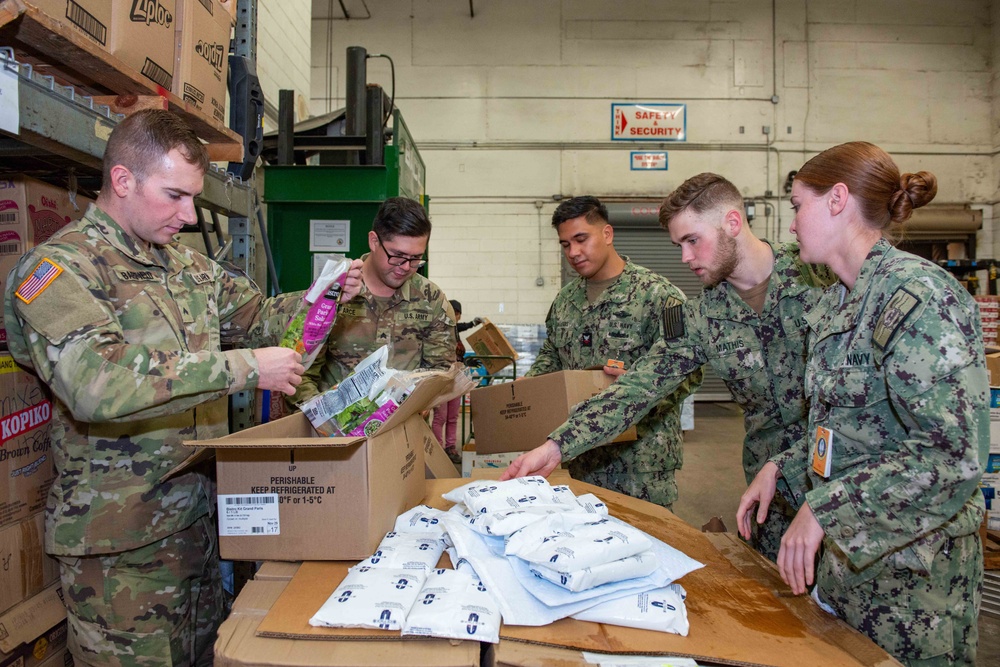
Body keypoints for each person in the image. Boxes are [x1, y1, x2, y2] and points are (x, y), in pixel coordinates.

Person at [1, 109, 363, 666]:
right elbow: (95, 383)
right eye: (175, 196)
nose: (190, 215)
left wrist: (325, 296)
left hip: (195, 525)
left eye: (193, 198)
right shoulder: (57, 270)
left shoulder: (187, 268)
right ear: (123, 180)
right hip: (120, 545)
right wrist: (242, 369)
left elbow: (264, 323)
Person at [737, 142, 987, 665]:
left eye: (797, 205)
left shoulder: (919, 297)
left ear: (837, 200)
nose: (790, 226)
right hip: (848, 577)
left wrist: (828, 510)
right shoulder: (836, 303)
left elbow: (951, 457)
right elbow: (846, 430)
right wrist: (780, 468)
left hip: (915, 591)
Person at [502, 175, 834, 558]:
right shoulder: (704, 315)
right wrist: (558, 446)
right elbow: (640, 386)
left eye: (692, 241)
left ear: (732, 222)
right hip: (768, 481)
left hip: (848, 472)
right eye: (679, 245)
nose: (685, 259)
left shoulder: (821, 274)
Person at [502, 195, 700, 509]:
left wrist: (639, 383)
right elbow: (554, 349)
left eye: (581, 239)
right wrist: (530, 384)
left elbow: (689, 373)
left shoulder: (659, 295)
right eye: (565, 244)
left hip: (640, 461)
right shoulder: (566, 300)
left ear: (607, 234)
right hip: (580, 455)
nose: (574, 252)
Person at [291, 197, 456, 404]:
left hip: (402, 428)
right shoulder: (334, 292)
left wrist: (418, 403)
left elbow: (439, 374)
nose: (406, 267)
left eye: (415, 258)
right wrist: (319, 417)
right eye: (397, 255)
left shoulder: (431, 300)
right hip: (334, 430)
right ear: (374, 241)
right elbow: (300, 370)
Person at [431, 299, 481, 463]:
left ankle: (450, 448)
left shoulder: (455, 330)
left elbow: (461, 328)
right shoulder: (439, 329)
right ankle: (437, 450)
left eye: (458, 313)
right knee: (440, 417)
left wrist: (466, 363)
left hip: (456, 379)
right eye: (454, 312)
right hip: (442, 380)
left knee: (453, 417)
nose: (456, 317)